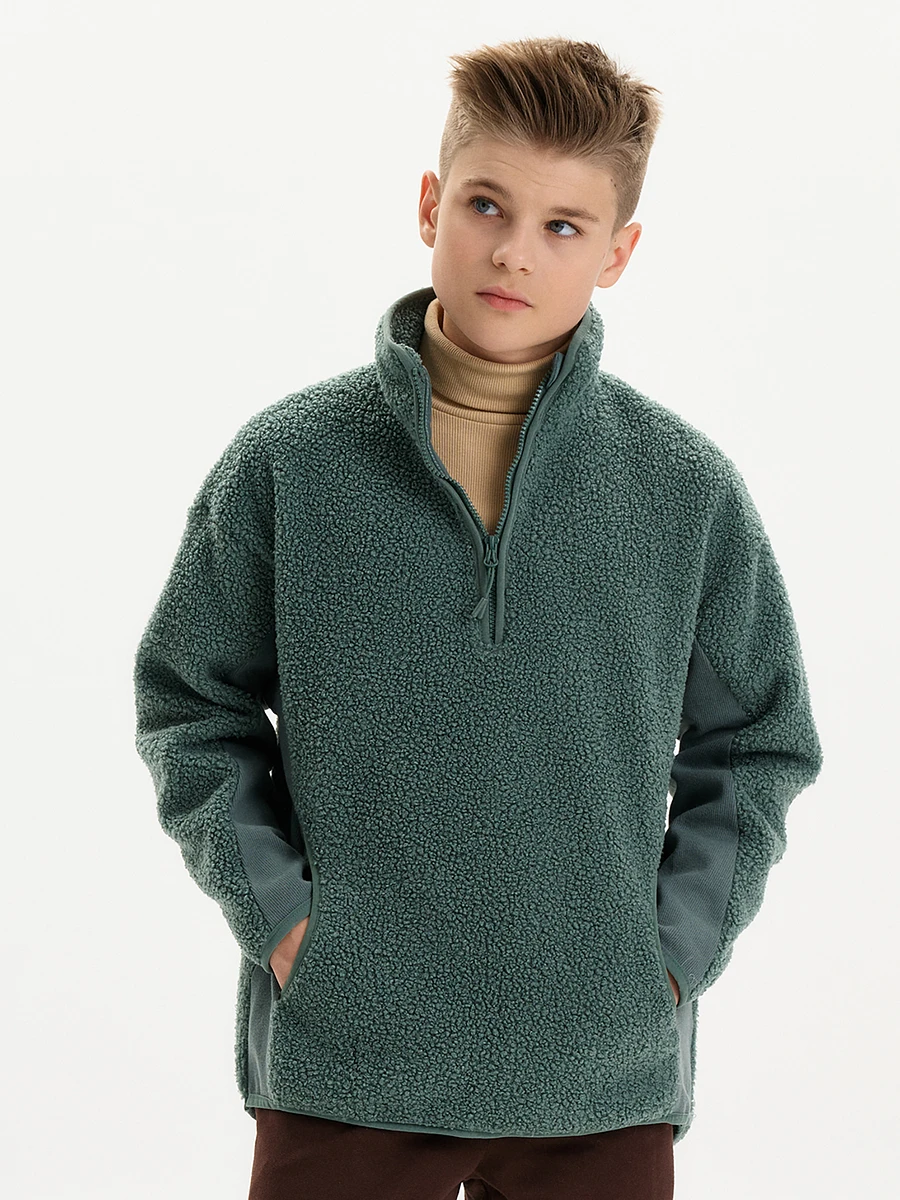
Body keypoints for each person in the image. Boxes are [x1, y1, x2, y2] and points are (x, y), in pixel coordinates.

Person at [133, 34, 824, 1200]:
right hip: (348, 1067)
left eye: (563, 225)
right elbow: (189, 702)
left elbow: (759, 740)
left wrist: (667, 959)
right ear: (429, 204)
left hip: (600, 1082)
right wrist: (287, 924)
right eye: (486, 205)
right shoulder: (291, 465)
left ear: (618, 252)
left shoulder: (682, 490)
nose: (513, 251)